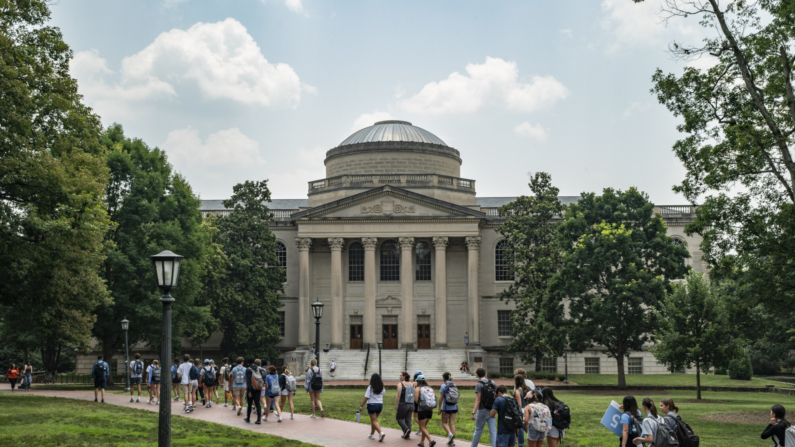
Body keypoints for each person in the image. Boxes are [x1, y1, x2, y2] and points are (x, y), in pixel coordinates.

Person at [470, 367, 497, 447]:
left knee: (478, 430)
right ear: (485, 374)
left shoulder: (479, 384)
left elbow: (478, 400)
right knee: (493, 430)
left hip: (482, 410)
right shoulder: (492, 382)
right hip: (492, 409)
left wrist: (473, 412)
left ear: (477, 375)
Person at [360, 373, 386, 441]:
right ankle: (371, 434)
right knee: (374, 421)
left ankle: (381, 433)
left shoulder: (370, 387)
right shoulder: (381, 387)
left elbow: (366, 397)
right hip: (380, 405)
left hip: (372, 405)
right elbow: (383, 393)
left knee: (374, 420)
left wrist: (361, 405)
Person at [414, 374, 436, 447]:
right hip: (430, 409)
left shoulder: (418, 389)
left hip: (422, 410)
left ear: (418, 381)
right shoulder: (430, 388)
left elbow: (416, 400)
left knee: (422, 427)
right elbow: (434, 397)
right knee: (424, 427)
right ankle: (422, 442)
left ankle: (431, 440)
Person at [440, 372, 459, 446]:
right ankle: (452, 441)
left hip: (446, 407)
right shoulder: (454, 385)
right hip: (454, 407)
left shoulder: (443, 386)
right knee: (452, 423)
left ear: (444, 378)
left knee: (444, 423)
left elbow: (441, 398)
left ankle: (450, 434)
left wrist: (439, 408)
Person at [395, 371, 415, 438]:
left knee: (399, 418)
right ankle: (407, 434)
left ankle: (406, 429)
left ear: (404, 377)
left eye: (401, 375)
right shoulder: (412, 384)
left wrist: (395, 405)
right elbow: (413, 394)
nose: (399, 376)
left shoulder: (400, 384)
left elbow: (398, 396)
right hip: (411, 404)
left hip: (403, 404)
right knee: (408, 419)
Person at [244, 358, 264, 424]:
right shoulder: (259, 369)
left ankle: (248, 418)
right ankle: (258, 419)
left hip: (252, 388)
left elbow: (249, 381)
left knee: (249, 404)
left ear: (248, 362)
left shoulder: (248, 369)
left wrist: (249, 391)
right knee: (257, 403)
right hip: (258, 388)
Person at [513, 375, 530, 447]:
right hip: (528, 410)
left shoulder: (517, 391)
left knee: (520, 428)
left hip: (522, 411)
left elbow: (519, 404)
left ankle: (520, 445)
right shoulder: (527, 389)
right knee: (528, 428)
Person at [413, 370, 423, 436]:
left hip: (416, 400)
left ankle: (422, 427)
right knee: (420, 416)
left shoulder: (414, 383)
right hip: (422, 400)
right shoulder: (423, 383)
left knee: (415, 416)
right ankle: (420, 430)